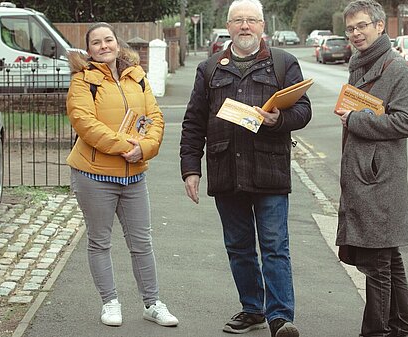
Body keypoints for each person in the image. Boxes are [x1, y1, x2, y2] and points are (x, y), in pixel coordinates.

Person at [179, 0, 311, 336]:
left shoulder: (282, 63)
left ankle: (280, 318)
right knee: (238, 246)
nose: (245, 26)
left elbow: (303, 112)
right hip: (226, 170)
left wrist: (280, 118)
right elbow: (194, 122)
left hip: (269, 169)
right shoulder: (210, 69)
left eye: (251, 20)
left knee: (274, 246)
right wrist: (190, 168)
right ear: (229, 25)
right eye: (238, 20)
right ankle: (252, 308)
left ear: (262, 25)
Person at [66, 22, 178, 328]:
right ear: (88, 50)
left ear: (118, 43)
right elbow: (85, 123)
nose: (104, 46)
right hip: (94, 176)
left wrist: (146, 148)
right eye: (96, 43)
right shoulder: (82, 81)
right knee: (100, 242)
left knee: (142, 243)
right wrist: (125, 146)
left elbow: (154, 117)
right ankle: (110, 302)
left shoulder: (137, 78)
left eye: (108, 40)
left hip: (134, 176)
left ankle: (152, 304)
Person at [333, 1, 408, 336]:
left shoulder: (396, 67)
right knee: (388, 256)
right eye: (351, 28)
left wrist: (356, 119)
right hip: (365, 178)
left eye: (362, 26)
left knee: (377, 263)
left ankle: (376, 332)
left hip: (380, 180)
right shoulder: (361, 64)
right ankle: (402, 326)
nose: (356, 33)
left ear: (380, 26)